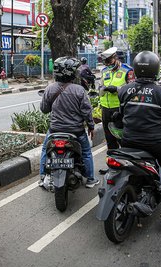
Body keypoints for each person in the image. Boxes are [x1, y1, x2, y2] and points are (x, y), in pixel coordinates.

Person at [118, 51, 161, 226]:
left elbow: (122, 114)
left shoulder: (124, 90)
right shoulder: (160, 93)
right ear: (156, 69)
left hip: (128, 140)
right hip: (154, 142)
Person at [38, 56, 98, 188]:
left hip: (55, 130)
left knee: (44, 150)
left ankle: (42, 177)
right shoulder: (79, 90)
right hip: (76, 131)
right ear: (72, 73)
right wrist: (91, 127)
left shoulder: (49, 88)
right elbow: (87, 113)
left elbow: (44, 109)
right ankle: (90, 179)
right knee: (87, 152)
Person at [98, 47, 135, 174]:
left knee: (122, 138)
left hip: (120, 109)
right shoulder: (104, 71)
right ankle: (112, 166)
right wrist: (100, 90)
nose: (107, 64)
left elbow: (132, 88)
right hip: (106, 109)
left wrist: (117, 89)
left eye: (109, 60)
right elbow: (101, 86)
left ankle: (126, 165)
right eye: (105, 62)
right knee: (109, 139)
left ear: (115, 57)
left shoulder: (127, 70)